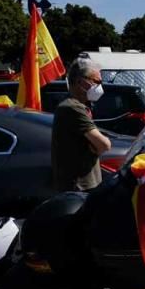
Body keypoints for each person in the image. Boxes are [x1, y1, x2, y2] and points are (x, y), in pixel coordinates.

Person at [51, 57, 111, 191]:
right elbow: (104, 145)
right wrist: (97, 147)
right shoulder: (72, 108)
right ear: (80, 82)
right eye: (96, 82)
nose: (100, 87)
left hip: (85, 185)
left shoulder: (79, 106)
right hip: (79, 188)